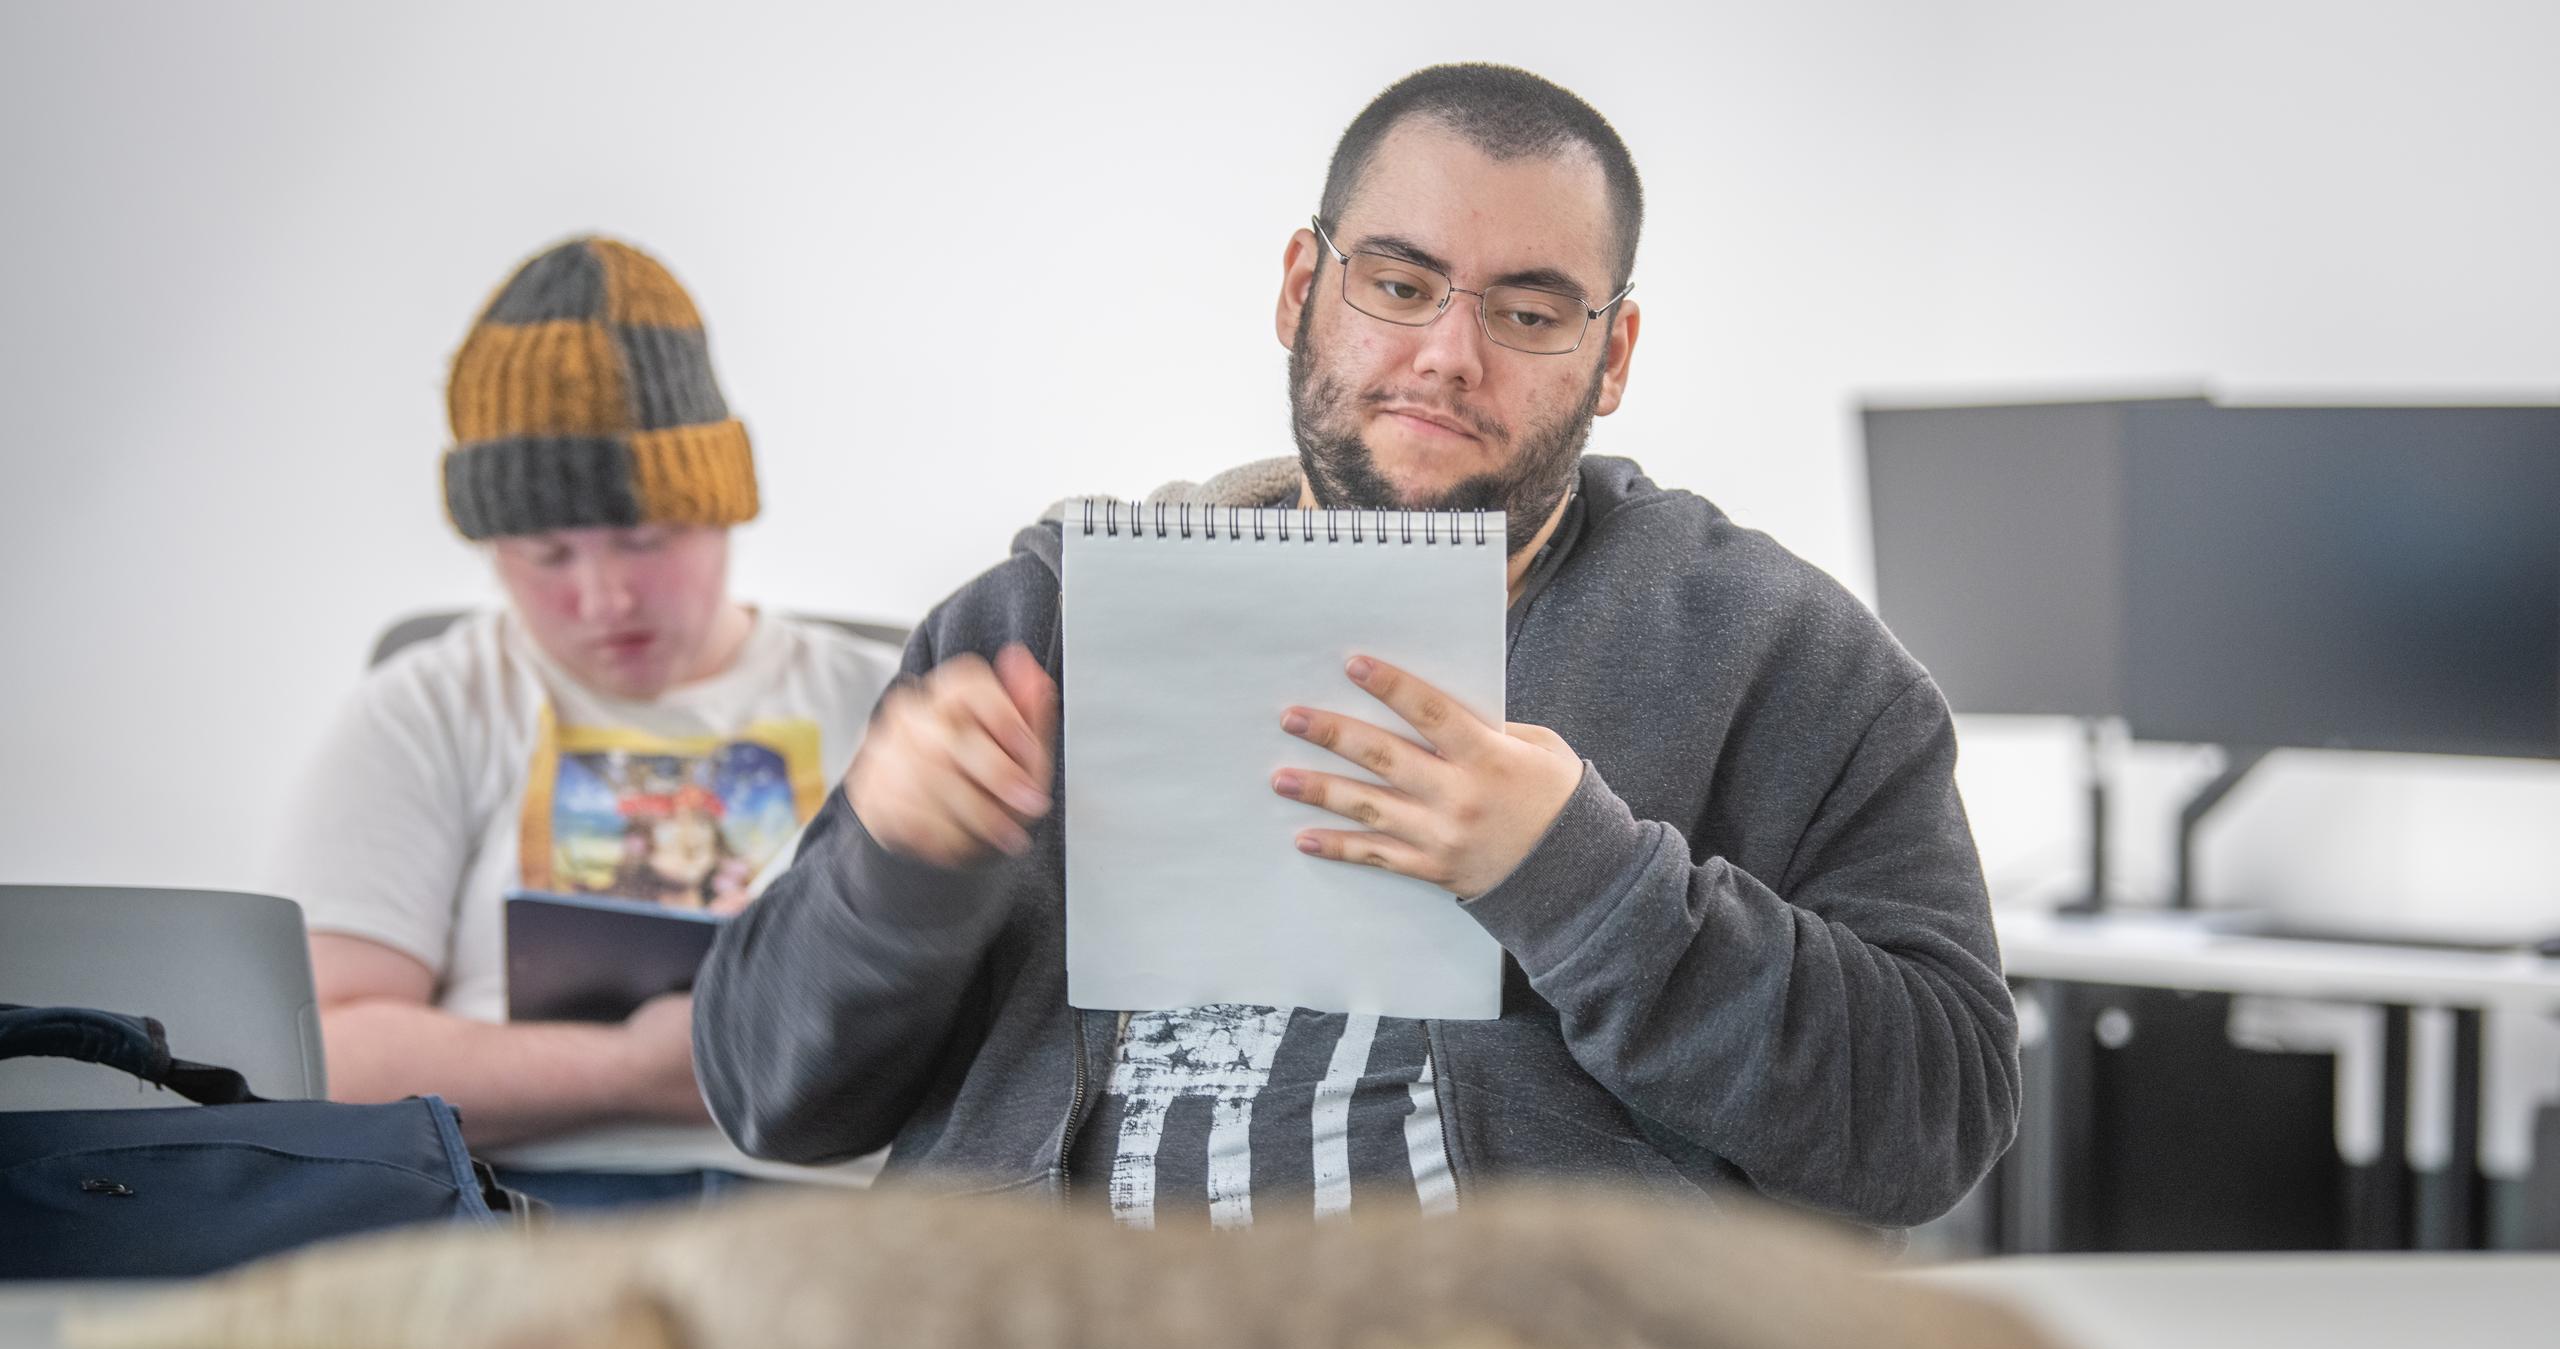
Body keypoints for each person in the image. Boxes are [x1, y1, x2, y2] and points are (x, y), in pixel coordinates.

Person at [693, 65, 2019, 1231]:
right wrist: (893, 872)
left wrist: (1585, 880)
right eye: (1398, 284)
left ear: (1610, 356)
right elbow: (765, 1093)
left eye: (1531, 312)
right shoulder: (1036, 624)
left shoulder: (1782, 657)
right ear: (1300, 288)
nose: (1447, 356)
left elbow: (1935, 1123)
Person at [274, 235, 899, 1207]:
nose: (607, 598)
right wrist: (637, 1067)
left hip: (822, 1209)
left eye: (644, 540)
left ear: (722, 508)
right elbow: (323, 1050)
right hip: (502, 1199)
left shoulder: (895, 701)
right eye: (547, 554)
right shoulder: (426, 709)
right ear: (491, 549)